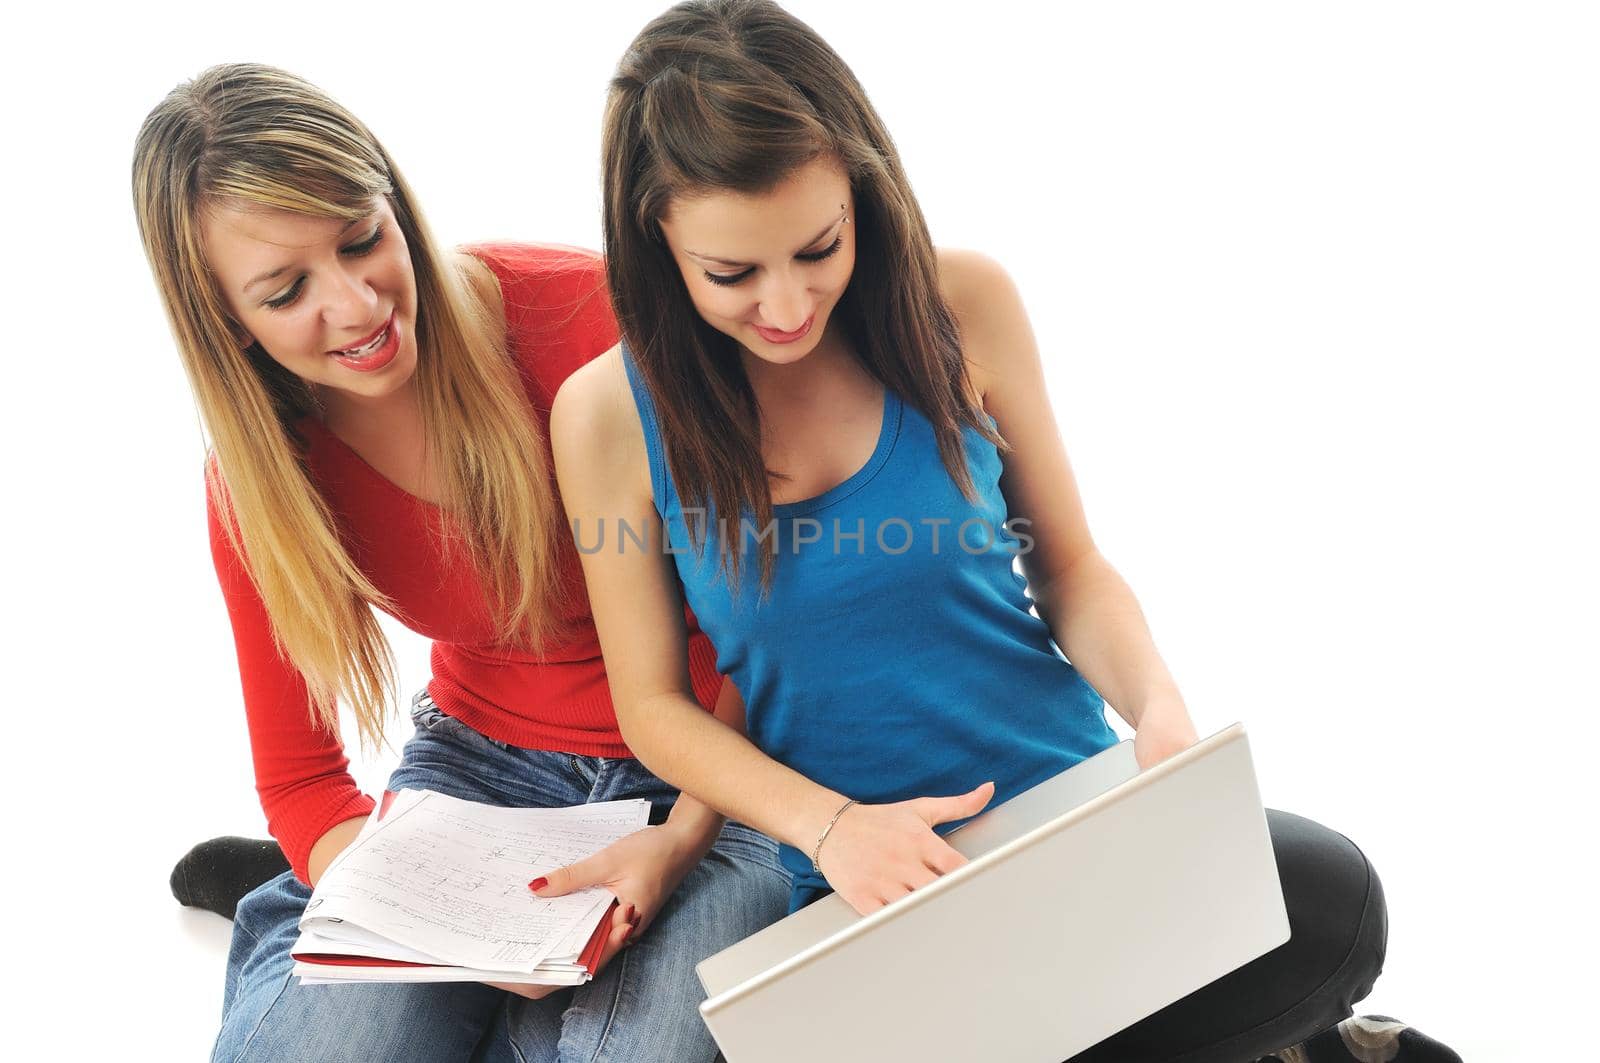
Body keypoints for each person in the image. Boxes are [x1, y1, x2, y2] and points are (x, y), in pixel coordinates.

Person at [548, 3, 1461, 1062]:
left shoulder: (962, 303)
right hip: (870, 886)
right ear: (656, 242)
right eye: (733, 275)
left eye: (818, 246)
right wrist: (831, 827)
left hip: (1068, 814)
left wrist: (1159, 713)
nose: (789, 304)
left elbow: (1070, 571)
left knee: (1328, 892)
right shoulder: (608, 414)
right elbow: (654, 708)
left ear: (861, 190)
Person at [134, 62, 787, 1063]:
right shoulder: (262, 479)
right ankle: (322, 914)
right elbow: (304, 778)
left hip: (712, 767)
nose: (355, 306)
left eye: (363, 238)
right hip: (481, 779)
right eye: (286, 290)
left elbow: (770, 624)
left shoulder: (590, 324)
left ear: (395, 201)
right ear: (227, 321)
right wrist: (439, 917)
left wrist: (678, 841)